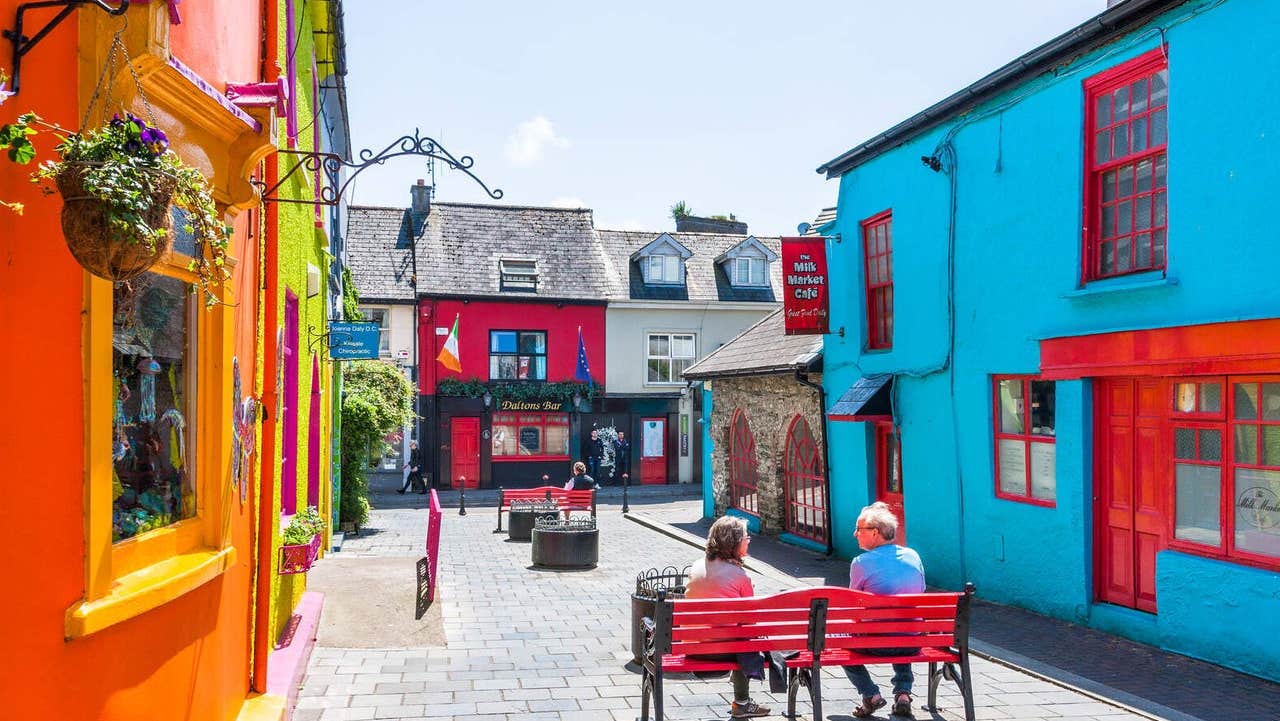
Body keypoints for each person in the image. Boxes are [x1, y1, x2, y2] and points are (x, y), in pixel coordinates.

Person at [684, 515, 771, 718]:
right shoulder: (741, 576)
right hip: (722, 651)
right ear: (734, 543)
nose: (748, 540)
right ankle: (742, 703)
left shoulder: (696, 566)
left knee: (739, 636)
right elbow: (750, 623)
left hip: (691, 646)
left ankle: (742, 702)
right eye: (746, 537)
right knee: (746, 640)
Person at [846, 502, 925, 719]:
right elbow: (920, 591)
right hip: (912, 642)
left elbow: (854, 604)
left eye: (859, 529)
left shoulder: (860, 562)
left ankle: (870, 694)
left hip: (876, 644)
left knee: (839, 641)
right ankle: (903, 693)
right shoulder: (913, 555)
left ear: (875, 532)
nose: (855, 534)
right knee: (903, 627)